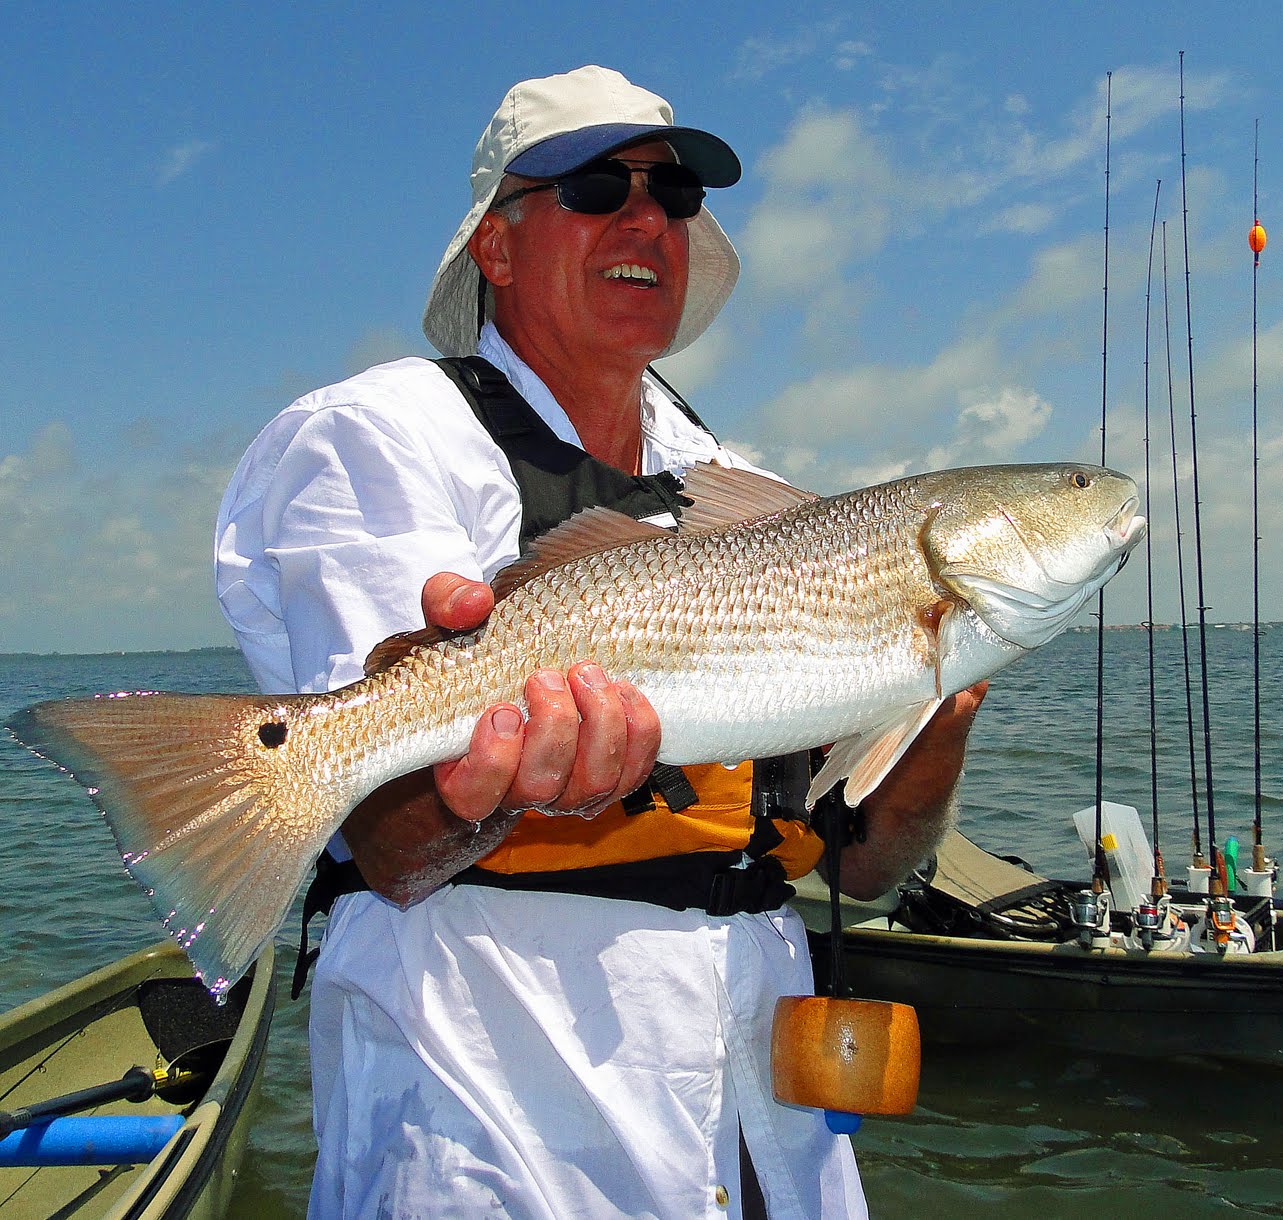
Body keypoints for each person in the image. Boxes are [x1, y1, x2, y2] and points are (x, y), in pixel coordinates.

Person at [215, 65, 984, 1219]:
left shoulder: (750, 494)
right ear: (496, 245)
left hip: (771, 1134)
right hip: (498, 1125)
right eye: (593, 186)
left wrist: (943, 696)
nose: (645, 218)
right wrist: (500, 775)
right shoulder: (377, 435)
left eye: (672, 193)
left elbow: (862, 862)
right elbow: (395, 846)